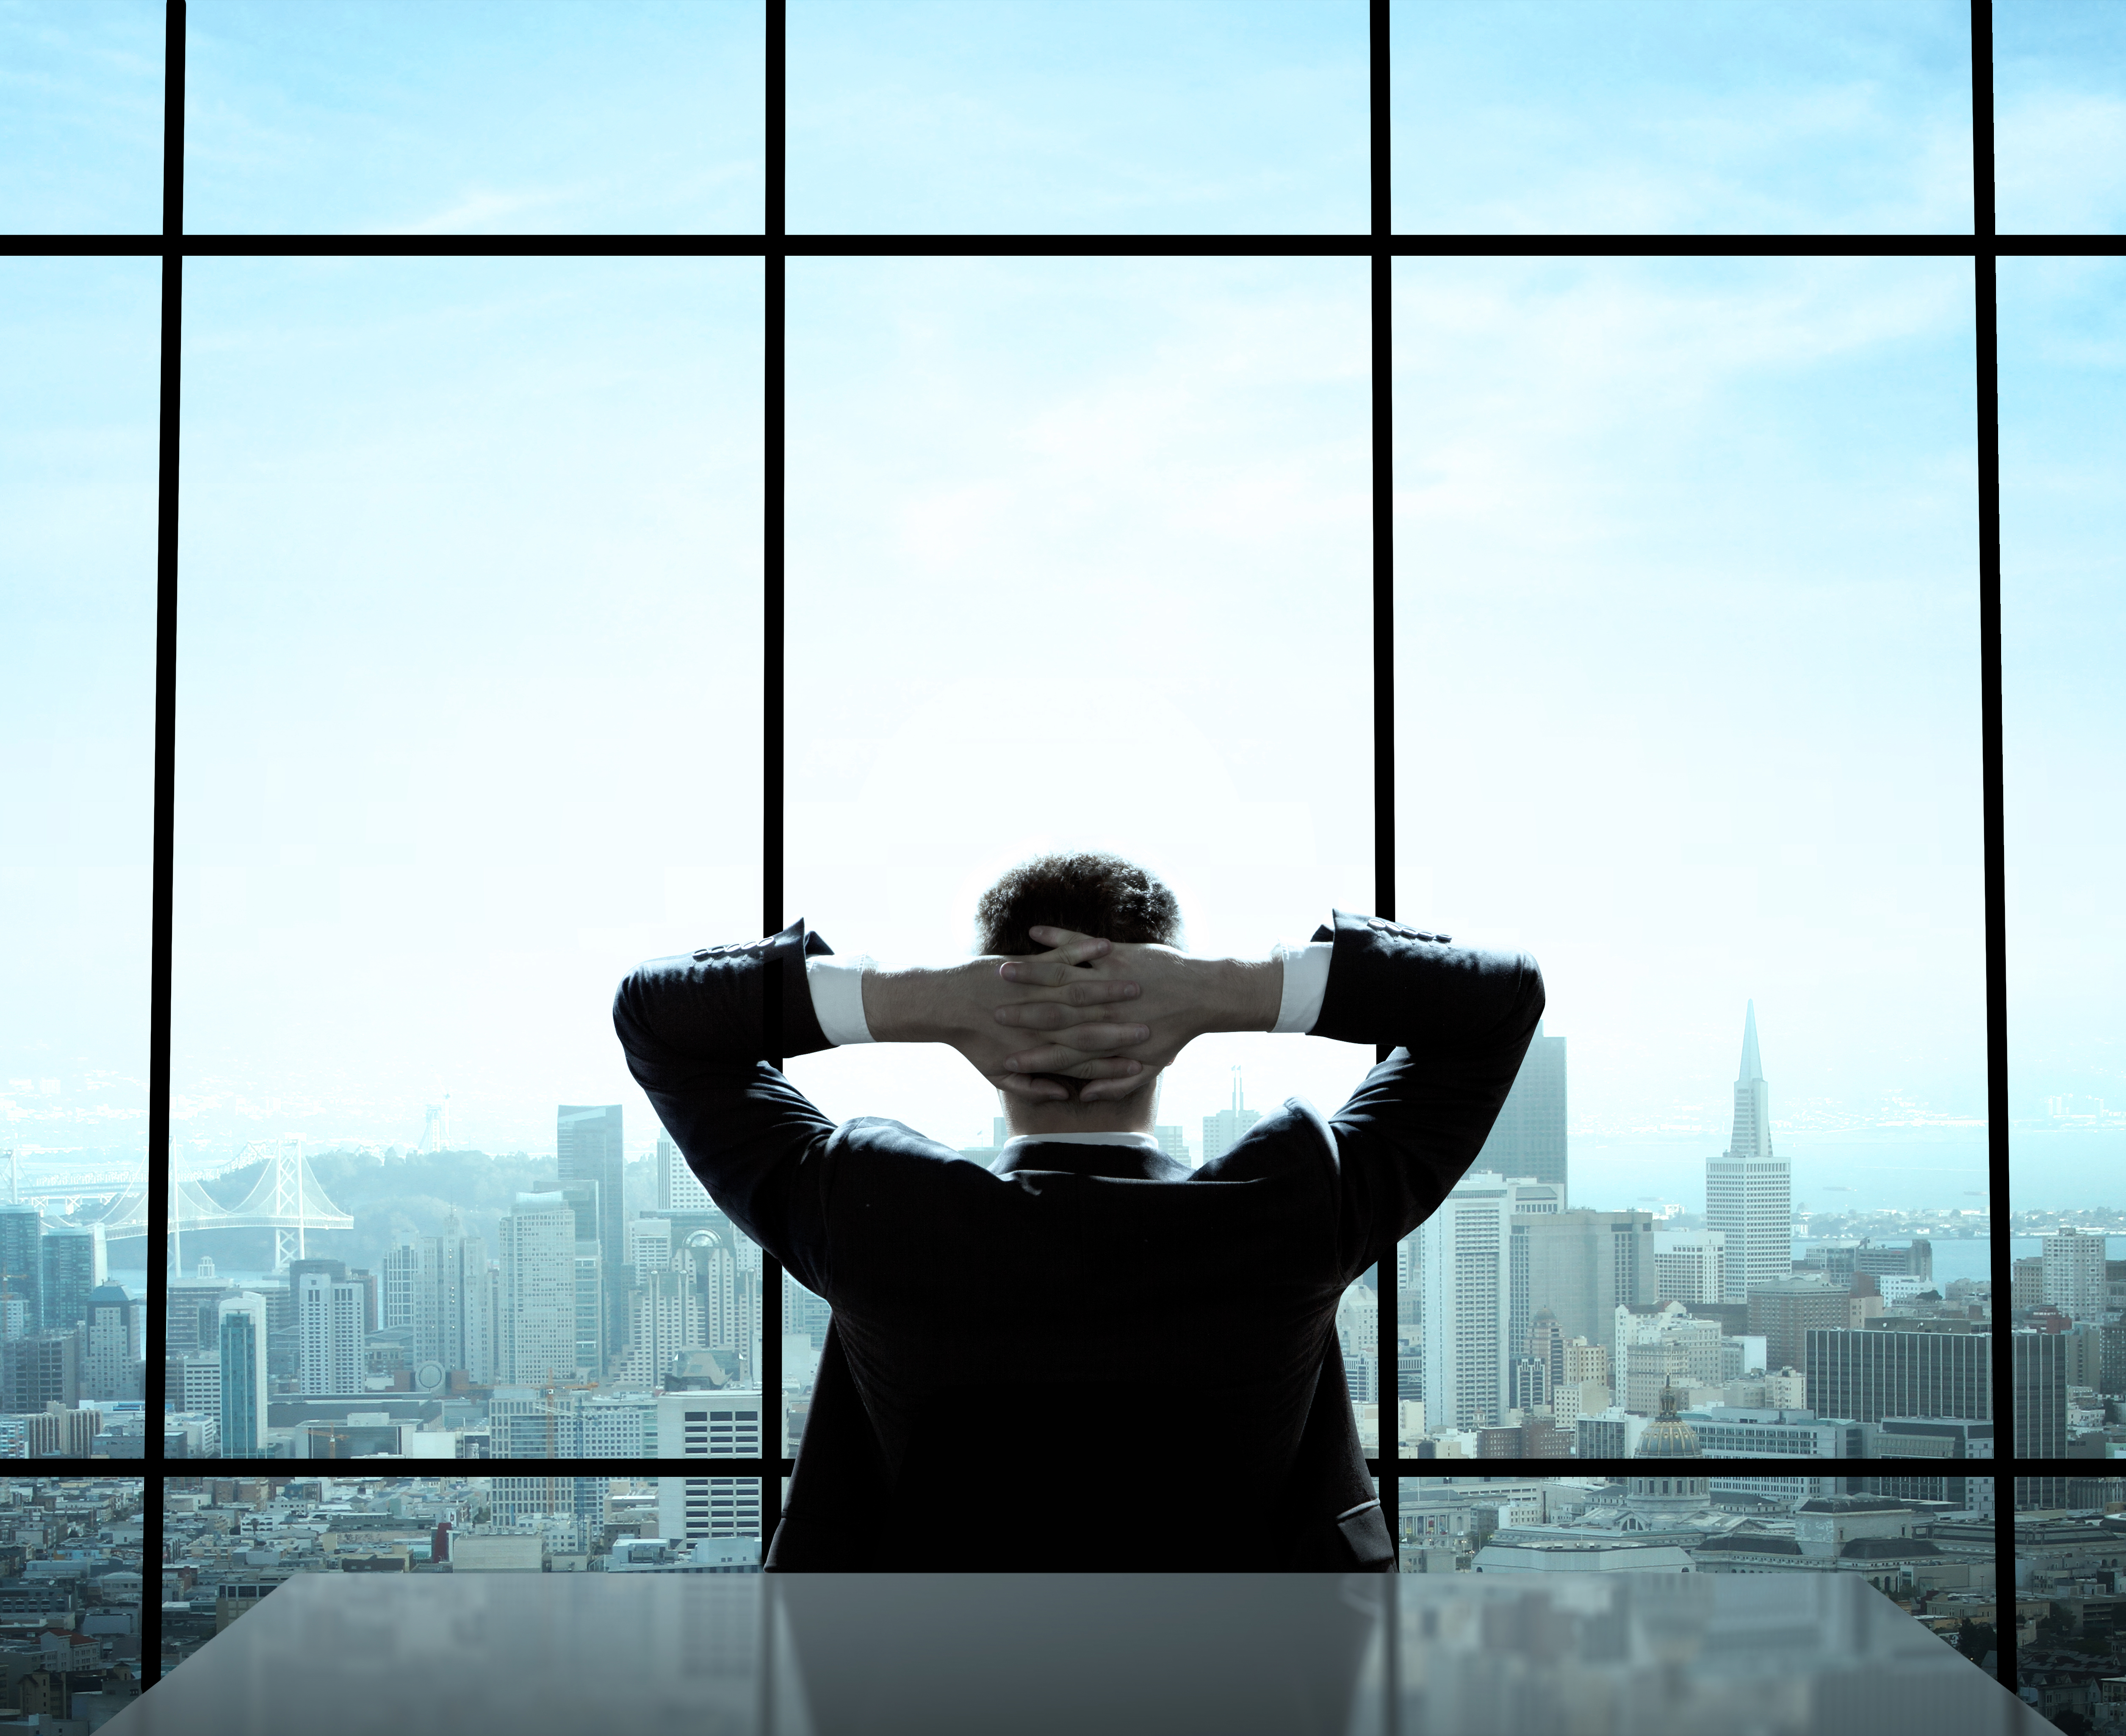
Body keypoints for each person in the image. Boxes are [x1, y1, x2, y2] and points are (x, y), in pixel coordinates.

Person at [612, 850, 1543, 1570]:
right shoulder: (1287, 1201)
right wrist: (1229, 988)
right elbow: (1498, 1002)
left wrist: (919, 1000)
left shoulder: (877, 1208)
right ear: (1167, 1034)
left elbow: (658, 1018)